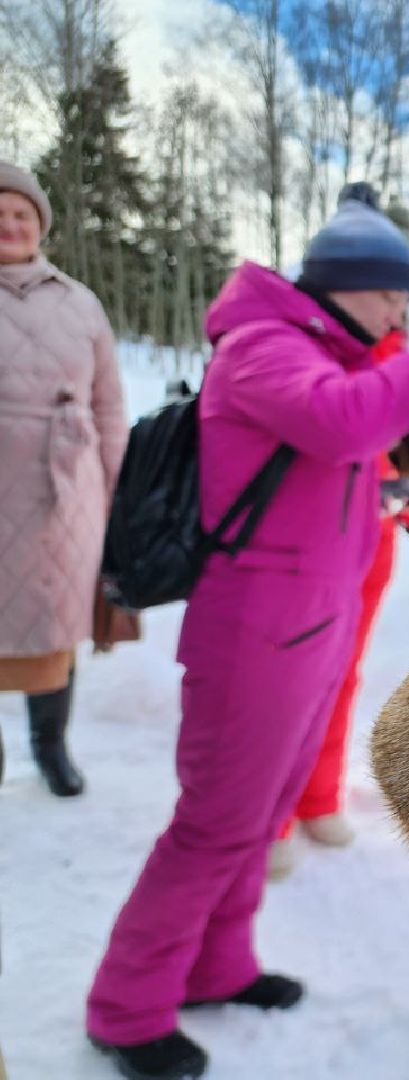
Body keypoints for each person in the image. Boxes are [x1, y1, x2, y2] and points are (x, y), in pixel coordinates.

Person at [86, 197, 409, 1080]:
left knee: (259, 813)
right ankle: (125, 1009)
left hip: (311, 630)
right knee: (214, 824)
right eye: (393, 297)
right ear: (348, 286)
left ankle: (217, 967)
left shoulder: (323, 354)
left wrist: (387, 501)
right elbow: (341, 423)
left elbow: (322, 476)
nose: (402, 316)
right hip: (254, 635)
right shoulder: (262, 348)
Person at [266, 183, 409, 879]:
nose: (389, 303)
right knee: (292, 675)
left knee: (342, 669)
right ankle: (273, 815)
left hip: (373, 531)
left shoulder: (407, 342)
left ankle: (318, 795)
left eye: (397, 289)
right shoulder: (310, 341)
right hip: (309, 532)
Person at [0, 161, 127, 797]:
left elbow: (108, 405)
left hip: (64, 495)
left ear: (40, 224)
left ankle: (50, 747)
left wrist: (117, 489)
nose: (9, 225)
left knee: (52, 618)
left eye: (20, 214)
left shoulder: (80, 303)